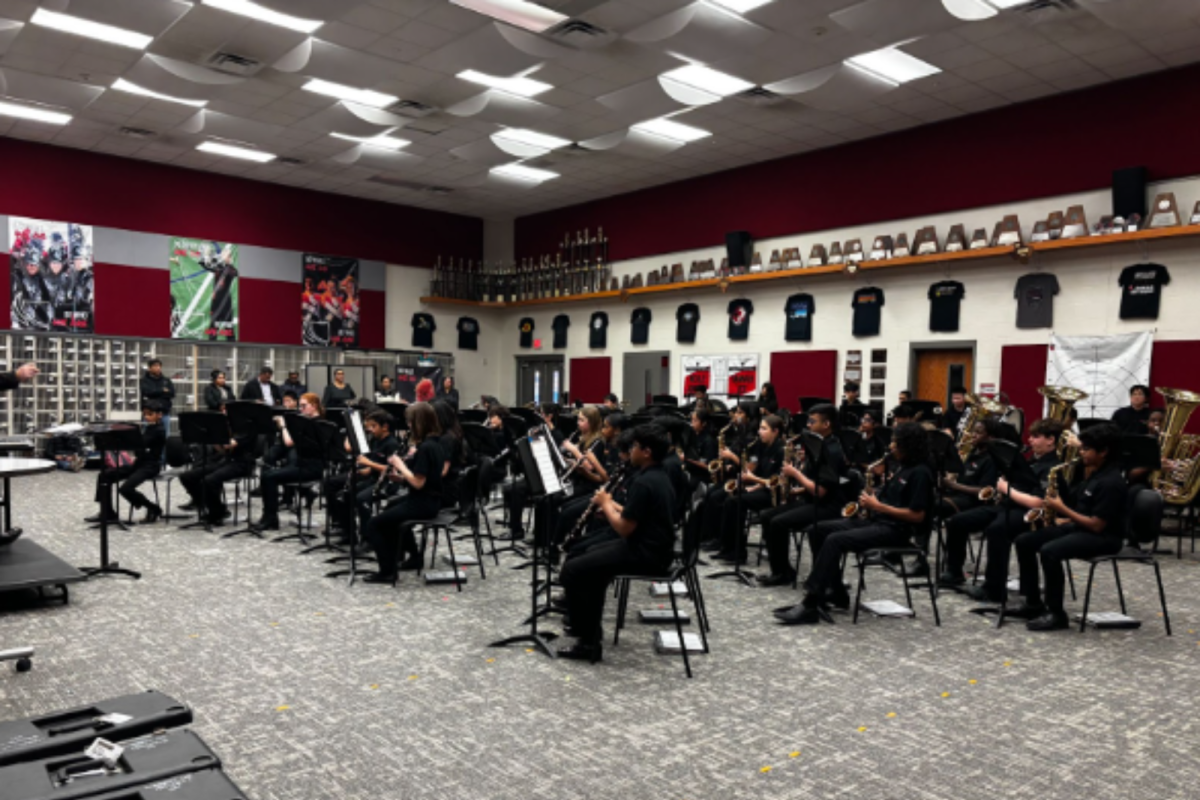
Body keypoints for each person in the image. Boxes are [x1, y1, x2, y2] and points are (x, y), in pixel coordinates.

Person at [777, 422, 933, 625]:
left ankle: (811, 602)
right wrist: (872, 498)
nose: (891, 446)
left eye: (896, 442)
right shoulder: (903, 467)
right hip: (877, 522)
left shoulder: (921, 473)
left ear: (909, 445)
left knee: (834, 540)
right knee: (816, 530)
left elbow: (918, 516)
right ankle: (836, 592)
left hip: (896, 530)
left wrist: (878, 506)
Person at [557, 424, 677, 662]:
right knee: (589, 558)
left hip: (645, 553)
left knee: (573, 569)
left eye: (634, 447)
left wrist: (604, 504)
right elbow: (637, 514)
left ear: (646, 452)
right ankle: (591, 637)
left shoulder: (643, 483)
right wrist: (612, 506)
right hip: (653, 547)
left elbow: (624, 528)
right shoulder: (658, 475)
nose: (630, 450)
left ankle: (586, 639)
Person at [1009, 423, 1127, 631]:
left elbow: (1097, 525)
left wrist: (1061, 508)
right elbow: (1082, 510)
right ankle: (1033, 602)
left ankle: (1056, 613)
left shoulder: (1111, 482)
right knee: (1024, 541)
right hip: (1082, 527)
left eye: (1086, 449)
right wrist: (1061, 518)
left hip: (1105, 537)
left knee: (1050, 552)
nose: (1081, 453)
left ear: (1104, 452)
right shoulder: (1093, 474)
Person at [960, 419, 1064, 603]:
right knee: (960, 520)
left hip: (1032, 513)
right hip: (1011, 506)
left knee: (997, 529)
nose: (1030, 440)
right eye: (1030, 436)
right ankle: (954, 572)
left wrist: (1006, 489)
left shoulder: (1052, 466)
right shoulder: (1031, 461)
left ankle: (994, 589)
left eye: (1036, 436)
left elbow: (1038, 502)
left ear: (1051, 440)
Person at [756, 404, 847, 586]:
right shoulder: (820, 446)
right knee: (767, 515)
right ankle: (782, 569)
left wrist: (795, 474)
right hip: (812, 500)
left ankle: (784, 574)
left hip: (827, 507)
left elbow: (821, 491)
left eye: (813, 421)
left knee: (778, 522)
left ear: (826, 424)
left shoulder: (832, 450)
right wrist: (795, 490)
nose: (808, 425)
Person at [362, 402, 445, 583]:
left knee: (374, 524)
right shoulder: (435, 443)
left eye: (410, 422)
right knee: (391, 507)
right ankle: (411, 557)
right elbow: (422, 478)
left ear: (419, 423)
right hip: (430, 499)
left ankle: (387, 571)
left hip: (423, 502)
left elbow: (418, 483)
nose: (408, 425)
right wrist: (399, 478)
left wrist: (400, 465)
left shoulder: (425, 448)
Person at [712, 414, 785, 564]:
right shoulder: (764, 447)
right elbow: (764, 475)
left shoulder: (781, 451)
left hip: (773, 495)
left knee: (735, 503)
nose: (759, 432)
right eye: (760, 428)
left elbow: (777, 482)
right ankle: (727, 547)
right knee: (727, 498)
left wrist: (753, 481)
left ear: (775, 431)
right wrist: (751, 485)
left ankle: (738, 552)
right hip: (761, 488)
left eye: (764, 429)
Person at [252, 393, 325, 532]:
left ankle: (270, 518)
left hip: (312, 467)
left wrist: (284, 425)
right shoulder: (307, 421)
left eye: (304, 406)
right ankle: (269, 516)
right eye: (300, 406)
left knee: (269, 476)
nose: (301, 409)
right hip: (301, 464)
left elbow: (289, 442)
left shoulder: (316, 423)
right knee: (267, 474)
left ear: (314, 406)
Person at [325, 409, 401, 543]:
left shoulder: (392, 444)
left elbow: (393, 470)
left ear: (385, 427)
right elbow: (371, 466)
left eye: (373, 426)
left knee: (361, 498)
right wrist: (362, 469)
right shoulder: (375, 441)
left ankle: (368, 538)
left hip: (387, 483)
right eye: (368, 426)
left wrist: (369, 464)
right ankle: (349, 534)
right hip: (373, 479)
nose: (369, 429)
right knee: (345, 494)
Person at [91, 401, 166, 525]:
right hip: (138, 464)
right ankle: (107, 512)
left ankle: (153, 508)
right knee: (104, 476)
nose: (146, 417)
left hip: (150, 466)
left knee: (126, 488)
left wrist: (130, 433)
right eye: (145, 414)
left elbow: (141, 444)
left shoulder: (158, 430)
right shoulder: (148, 428)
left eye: (150, 414)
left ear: (159, 415)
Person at [179, 419, 258, 525]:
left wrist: (214, 435)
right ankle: (205, 503)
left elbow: (228, 445)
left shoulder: (246, 429)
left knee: (209, 480)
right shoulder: (229, 428)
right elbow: (222, 450)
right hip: (226, 460)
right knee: (187, 476)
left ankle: (217, 512)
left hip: (242, 464)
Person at [140, 359, 175, 436]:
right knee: (146, 436)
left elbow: (172, 393)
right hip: (149, 414)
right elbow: (147, 392)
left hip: (164, 413)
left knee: (165, 437)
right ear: (149, 368)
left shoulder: (166, 380)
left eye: (159, 366)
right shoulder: (144, 381)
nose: (158, 368)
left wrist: (156, 392)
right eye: (155, 366)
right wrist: (162, 390)